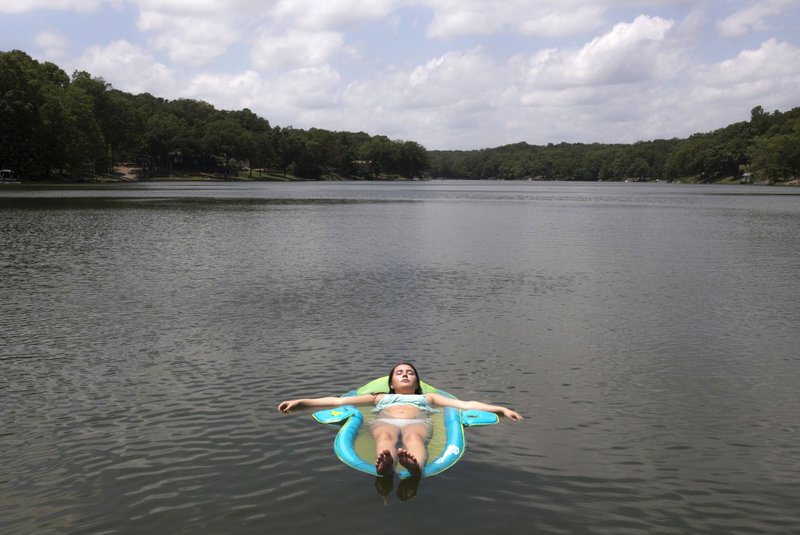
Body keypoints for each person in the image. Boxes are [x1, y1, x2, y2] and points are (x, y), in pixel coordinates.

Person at [277, 362, 523, 477]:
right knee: (384, 435)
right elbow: (338, 402)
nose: (405, 375)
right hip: (384, 421)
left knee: (415, 436)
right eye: (399, 373)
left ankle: (415, 465)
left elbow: (466, 404)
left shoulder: (430, 399)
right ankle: (384, 463)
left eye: (410, 373)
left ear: (417, 381)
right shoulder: (379, 398)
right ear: (391, 382)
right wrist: (301, 402)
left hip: (418, 422)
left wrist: (500, 409)